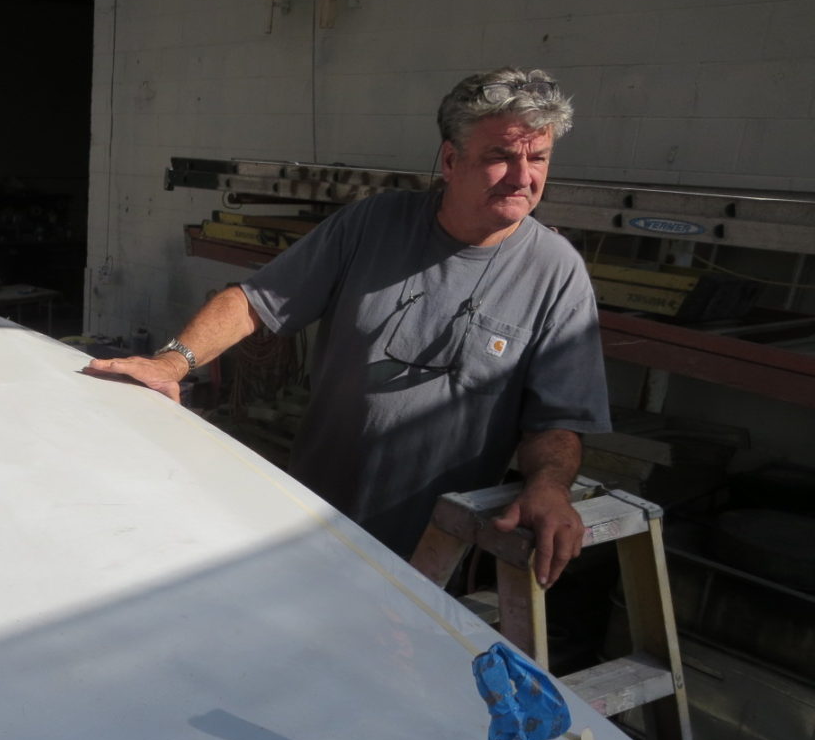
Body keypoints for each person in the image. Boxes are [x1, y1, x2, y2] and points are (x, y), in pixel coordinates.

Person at [86, 67, 609, 589]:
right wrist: (171, 362)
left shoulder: (556, 272)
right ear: (451, 160)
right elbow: (252, 302)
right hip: (314, 520)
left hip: (435, 553)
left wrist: (549, 485)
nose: (523, 177)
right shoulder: (373, 225)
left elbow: (556, 419)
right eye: (500, 157)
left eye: (537, 158)